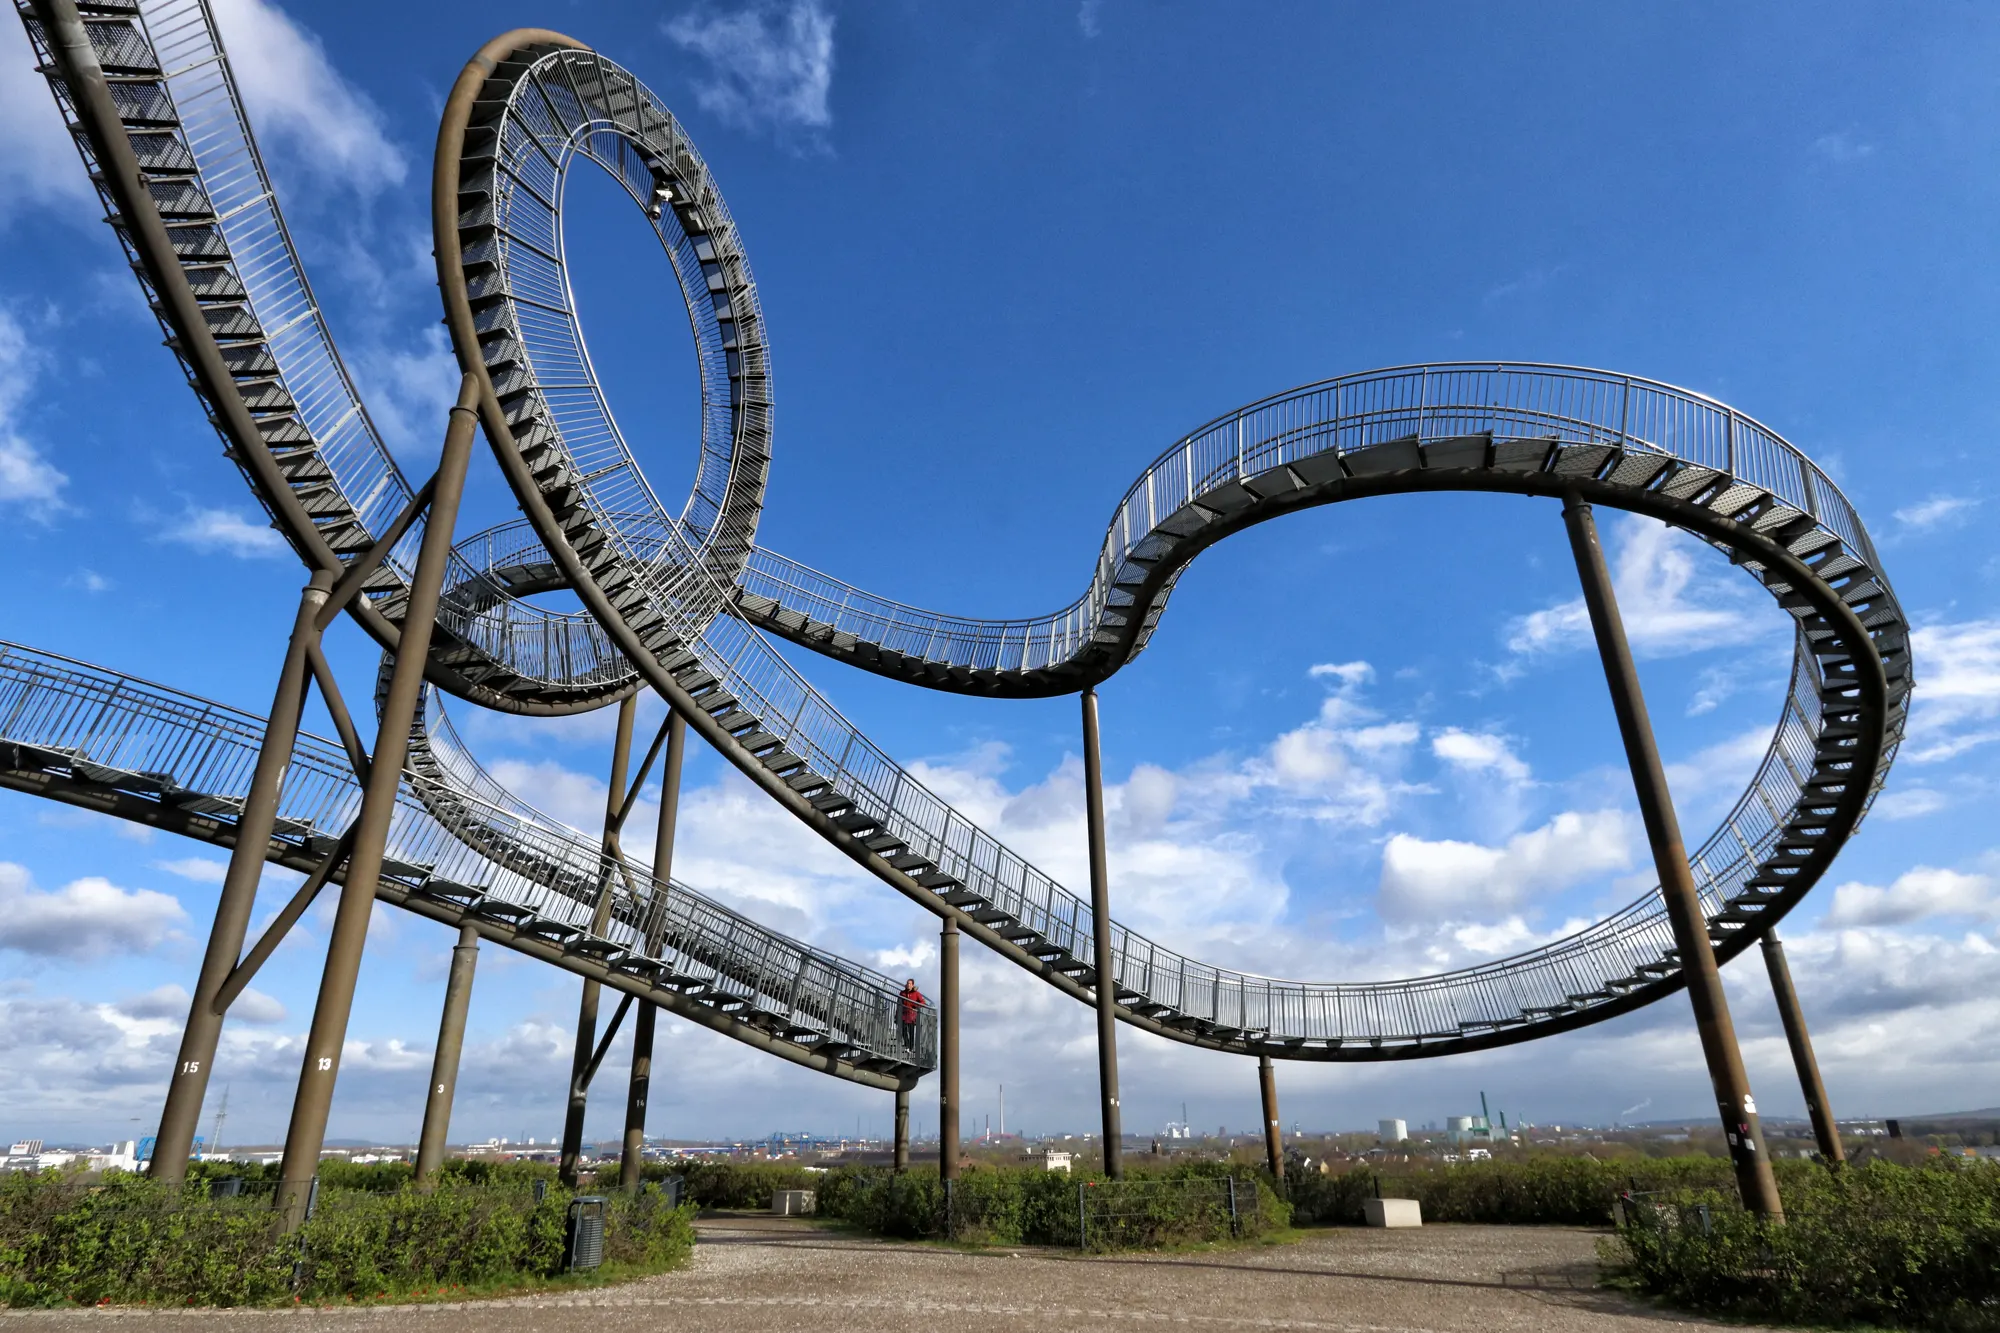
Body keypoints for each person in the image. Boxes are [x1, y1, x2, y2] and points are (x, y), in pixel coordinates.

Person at [898, 978, 926, 1047]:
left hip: (912, 1015)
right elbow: (899, 1003)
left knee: (911, 1031)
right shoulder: (902, 993)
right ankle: (907, 1044)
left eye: (910, 983)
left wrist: (915, 1005)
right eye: (907, 983)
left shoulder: (916, 993)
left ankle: (911, 1046)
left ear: (912, 985)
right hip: (904, 1014)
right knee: (903, 1030)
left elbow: (923, 1002)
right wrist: (897, 1014)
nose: (908, 985)